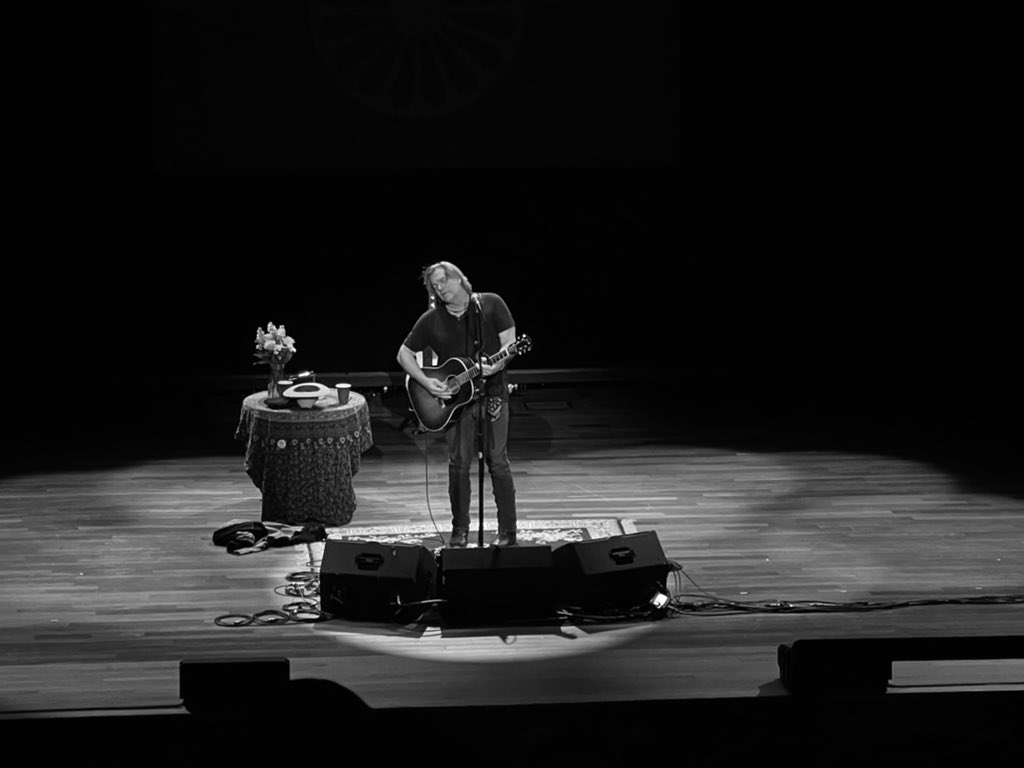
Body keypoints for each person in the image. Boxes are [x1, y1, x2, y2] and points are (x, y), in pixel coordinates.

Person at [397, 261, 518, 547]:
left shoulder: (491, 304)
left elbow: (509, 344)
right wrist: (427, 383)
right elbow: (403, 354)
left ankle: (508, 531)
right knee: (458, 464)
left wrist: (498, 365)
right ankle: (460, 530)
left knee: (498, 462)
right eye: (434, 286)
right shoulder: (431, 319)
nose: (440, 289)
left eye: (443, 282)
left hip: (493, 395)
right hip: (456, 403)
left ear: (460, 279)